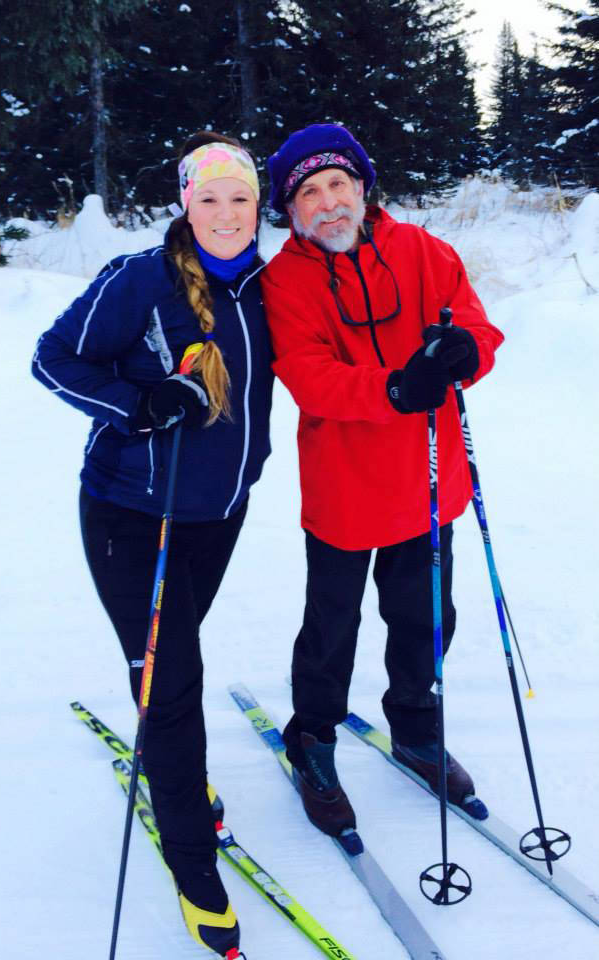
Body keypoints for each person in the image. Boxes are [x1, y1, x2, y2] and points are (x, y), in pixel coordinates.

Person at [32, 132, 272, 959]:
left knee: (177, 660)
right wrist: (139, 403)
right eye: (209, 198)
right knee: (169, 685)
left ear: (258, 204)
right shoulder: (141, 278)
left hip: (218, 514)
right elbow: (52, 358)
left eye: (239, 197)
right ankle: (193, 863)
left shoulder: (271, 287)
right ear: (184, 204)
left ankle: (173, 761)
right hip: (133, 515)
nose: (226, 214)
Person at [261, 123, 504, 839]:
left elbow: (479, 331)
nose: (329, 203)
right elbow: (310, 376)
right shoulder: (286, 281)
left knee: (427, 618)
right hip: (344, 490)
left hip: (431, 484)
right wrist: (396, 389)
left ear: (364, 188)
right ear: (292, 211)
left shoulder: (427, 253)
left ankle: (417, 727)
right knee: (331, 628)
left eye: (339, 184)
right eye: (309, 193)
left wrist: (465, 351)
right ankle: (313, 739)